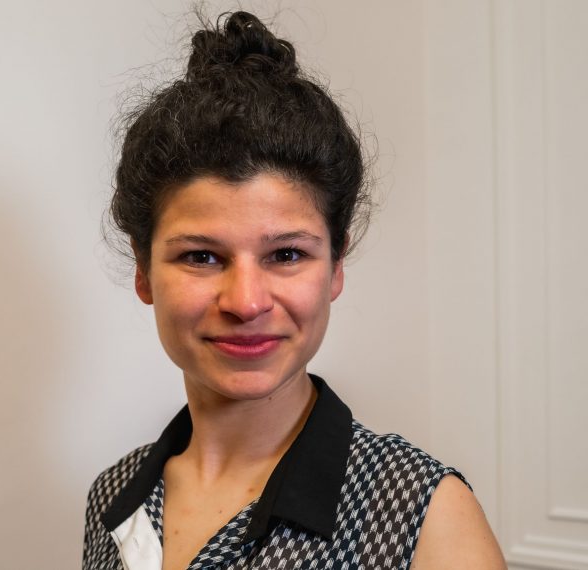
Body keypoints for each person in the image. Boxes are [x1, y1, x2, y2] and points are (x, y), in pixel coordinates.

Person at [83, 11, 506, 570]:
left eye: (286, 254)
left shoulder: (424, 515)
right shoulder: (112, 496)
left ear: (335, 267)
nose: (246, 302)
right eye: (201, 256)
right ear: (143, 271)